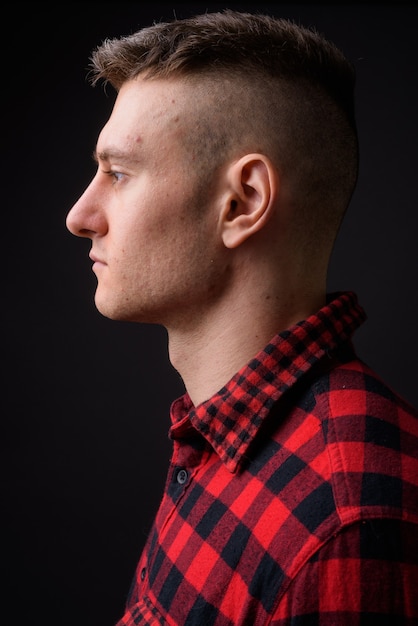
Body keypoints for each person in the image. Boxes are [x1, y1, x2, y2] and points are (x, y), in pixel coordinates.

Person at [66, 9, 418, 625]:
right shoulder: (218, 438)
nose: (80, 215)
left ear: (242, 202)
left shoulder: (345, 524)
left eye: (118, 173)